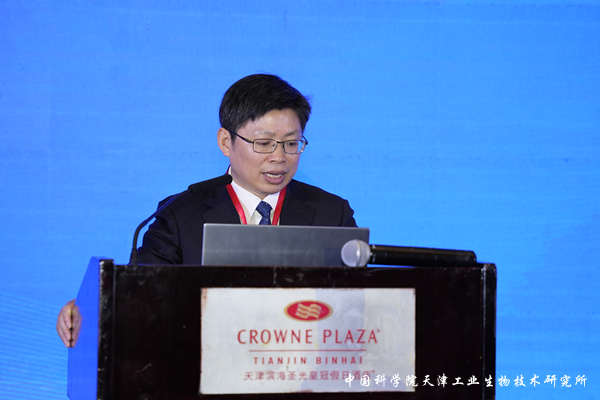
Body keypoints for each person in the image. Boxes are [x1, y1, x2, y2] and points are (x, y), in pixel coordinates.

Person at [56, 74, 357, 347]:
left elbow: (360, 305)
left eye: (291, 143)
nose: (279, 157)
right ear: (226, 142)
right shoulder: (179, 214)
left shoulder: (332, 214)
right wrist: (94, 311)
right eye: (264, 143)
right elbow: (141, 298)